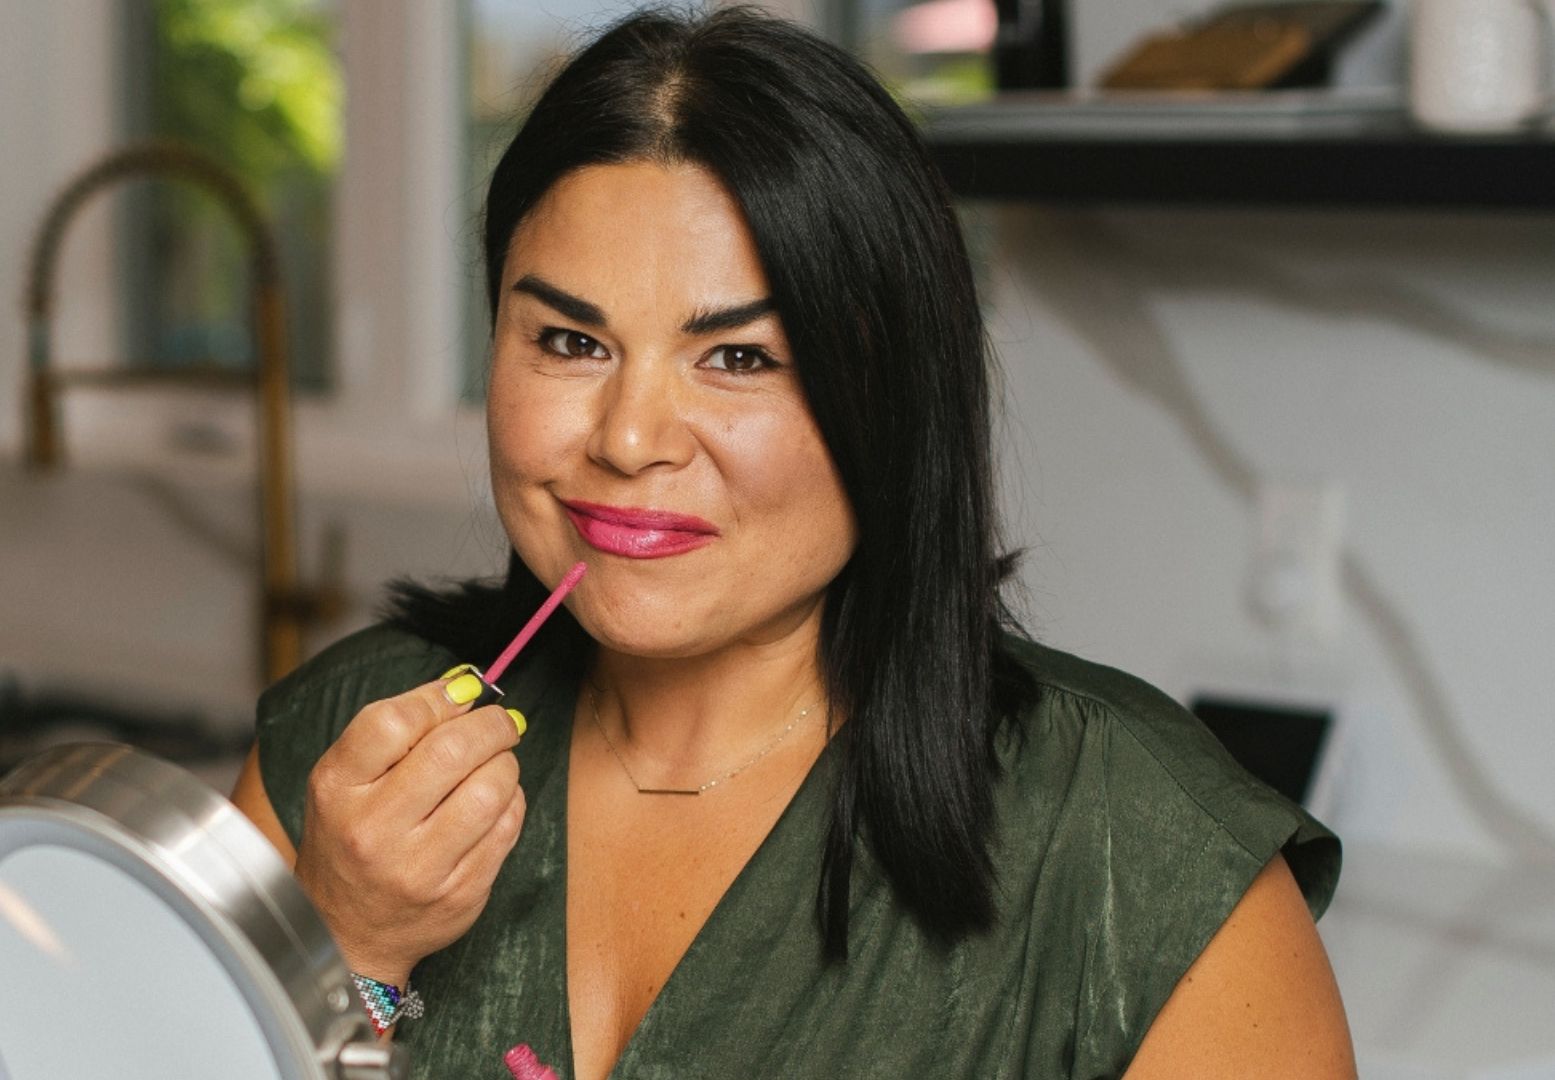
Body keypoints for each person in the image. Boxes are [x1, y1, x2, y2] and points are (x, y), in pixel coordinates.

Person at [232, 7, 1352, 1078]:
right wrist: (350, 952)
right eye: (571, 341)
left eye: (739, 359)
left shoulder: (1139, 851)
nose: (628, 440)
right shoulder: (342, 761)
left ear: (895, 400)